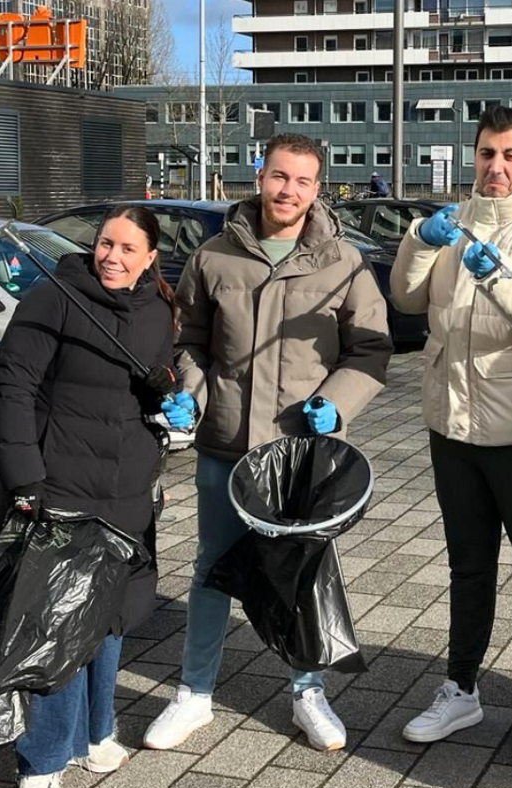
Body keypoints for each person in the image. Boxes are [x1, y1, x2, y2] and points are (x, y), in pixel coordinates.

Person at [144, 132, 393, 754]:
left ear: (318, 187)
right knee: (210, 569)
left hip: (299, 453)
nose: (290, 191)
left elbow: (371, 349)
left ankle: (307, 692)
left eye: (304, 181)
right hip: (225, 445)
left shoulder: (344, 262)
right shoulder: (213, 257)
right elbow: (190, 342)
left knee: (300, 574)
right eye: (281, 177)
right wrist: (193, 393)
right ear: (260, 177)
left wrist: (335, 403)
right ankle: (194, 694)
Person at [390, 106, 512, 766]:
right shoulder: (457, 222)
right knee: (467, 563)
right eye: (485, 154)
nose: (495, 167)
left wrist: (493, 269)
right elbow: (407, 299)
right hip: (453, 424)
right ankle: (462, 686)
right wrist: (421, 238)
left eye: (509, 155)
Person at [0, 205, 189, 788]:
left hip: (128, 489)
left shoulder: (159, 311)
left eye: (129, 249)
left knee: (110, 615)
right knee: (58, 627)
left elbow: (157, 388)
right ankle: (41, 767)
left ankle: (97, 736)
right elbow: (11, 386)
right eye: (106, 243)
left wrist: (174, 416)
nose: (113, 257)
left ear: (150, 258)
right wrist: (24, 477)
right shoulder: (54, 300)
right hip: (62, 487)